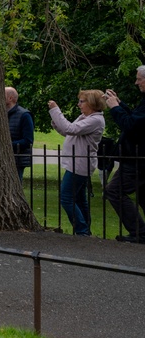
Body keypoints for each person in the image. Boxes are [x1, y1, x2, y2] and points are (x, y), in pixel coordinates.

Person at [49, 90, 106, 236]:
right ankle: (85, 230)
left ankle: (82, 231)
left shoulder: (95, 120)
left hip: (79, 165)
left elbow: (70, 129)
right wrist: (56, 123)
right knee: (80, 200)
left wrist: (55, 110)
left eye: (82, 101)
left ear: (92, 103)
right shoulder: (85, 117)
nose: (79, 104)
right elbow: (69, 133)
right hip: (77, 163)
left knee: (66, 197)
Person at [104, 65, 145, 243]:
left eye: (139, 79)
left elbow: (131, 126)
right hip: (137, 159)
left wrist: (114, 108)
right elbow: (136, 120)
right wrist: (120, 104)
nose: (136, 83)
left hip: (137, 160)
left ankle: (139, 233)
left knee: (114, 191)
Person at [6, 86, 35, 183]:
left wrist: (7, 145)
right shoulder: (1, 114)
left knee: (14, 185)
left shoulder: (24, 115)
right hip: (4, 159)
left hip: (17, 159)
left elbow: (28, 140)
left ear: (10, 98)